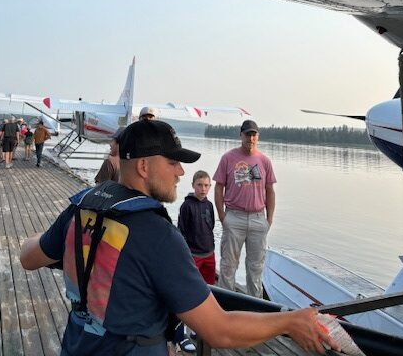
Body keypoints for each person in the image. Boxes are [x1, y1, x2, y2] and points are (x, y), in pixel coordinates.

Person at [20, 119, 336, 356]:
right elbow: (220, 331)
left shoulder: (81, 208)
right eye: (172, 162)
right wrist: (289, 322)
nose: (181, 173)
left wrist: (59, 233)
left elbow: (28, 256)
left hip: (78, 346)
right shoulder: (159, 237)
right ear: (143, 166)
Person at [214, 119, 276, 297]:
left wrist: (269, 219)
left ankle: (255, 307)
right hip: (234, 217)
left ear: (258, 137)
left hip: (258, 219)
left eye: (254, 134)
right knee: (228, 266)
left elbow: (270, 190)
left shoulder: (264, 161)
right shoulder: (228, 158)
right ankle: (227, 306)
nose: (251, 138)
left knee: (255, 268)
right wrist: (222, 216)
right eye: (247, 134)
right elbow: (219, 187)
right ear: (241, 135)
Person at [175, 170, 216, 353]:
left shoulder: (209, 205)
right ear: (193, 185)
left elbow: (211, 225)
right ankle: (183, 330)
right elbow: (181, 231)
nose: (203, 189)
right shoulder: (186, 206)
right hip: (193, 255)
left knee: (208, 291)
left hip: (209, 253)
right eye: (200, 185)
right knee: (190, 292)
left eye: (206, 185)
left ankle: (199, 328)